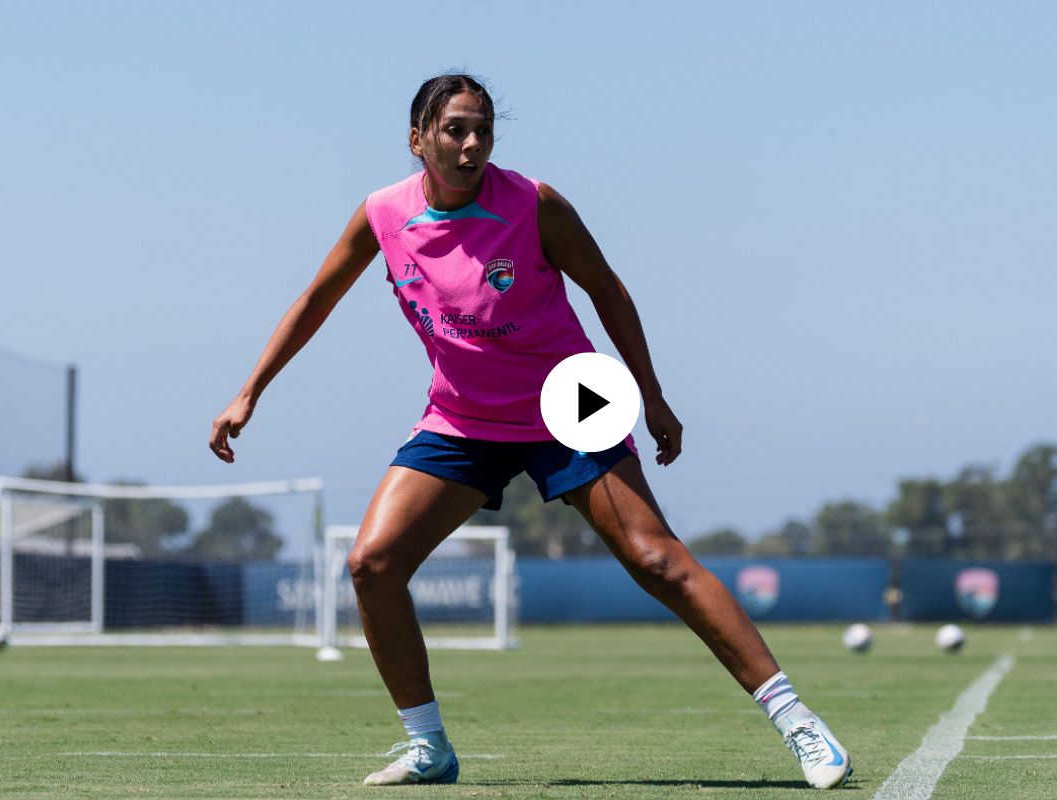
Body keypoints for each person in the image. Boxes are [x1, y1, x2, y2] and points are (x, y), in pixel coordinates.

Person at [209, 73, 852, 790]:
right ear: (418, 139)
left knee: (656, 561)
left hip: (567, 407)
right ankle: (429, 747)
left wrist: (654, 397)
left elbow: (608, 290)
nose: (472, 143)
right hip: (462, 418)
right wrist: (249, 391)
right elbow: (316, 298)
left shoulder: (535, 204)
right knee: (372, 564)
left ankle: (799, 722)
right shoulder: (381, 214)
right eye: (455, 129)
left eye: (483, 129)